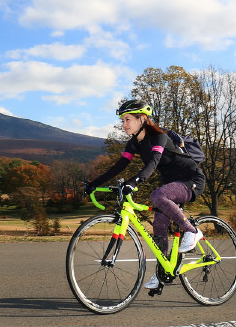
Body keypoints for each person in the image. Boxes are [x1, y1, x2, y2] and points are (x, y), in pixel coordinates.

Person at [86, 99, 206, 289]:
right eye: (122, 120)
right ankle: (163, 271)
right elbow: (118, 166)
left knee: (157, 196)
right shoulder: (133, 144)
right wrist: (94, 184)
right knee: (159, 227)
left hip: (191, 181)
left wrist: (134, 182)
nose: (124, 124)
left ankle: (192, 231)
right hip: (171, 185)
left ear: (142, 118)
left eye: (128, 120)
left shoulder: (159, 137)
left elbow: (153, 163)